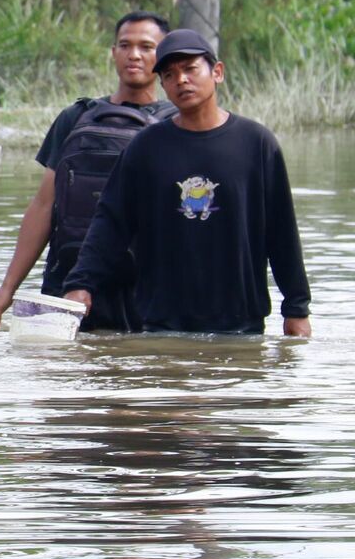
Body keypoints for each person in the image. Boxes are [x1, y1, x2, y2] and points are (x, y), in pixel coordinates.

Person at [63, 29, 312, 336]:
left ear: (217, 72)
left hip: (241, 325)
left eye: (190, 69)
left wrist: (296, 308)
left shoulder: (256, 143)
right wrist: (81, 284)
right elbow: (111, 222)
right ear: (163, 85)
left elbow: (282, 231)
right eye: (169, 75)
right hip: (161, 324)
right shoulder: (145, 147)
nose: (181, 80)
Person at [0, 12, 176, 332]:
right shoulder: (75, 118)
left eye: (146, 46)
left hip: (148, 287)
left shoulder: (177, 123)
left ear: (163, 55)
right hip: (69, 280)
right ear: (113, 52)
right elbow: (43, 206)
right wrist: (7, 289)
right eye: (125, 45)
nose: (134, 55)